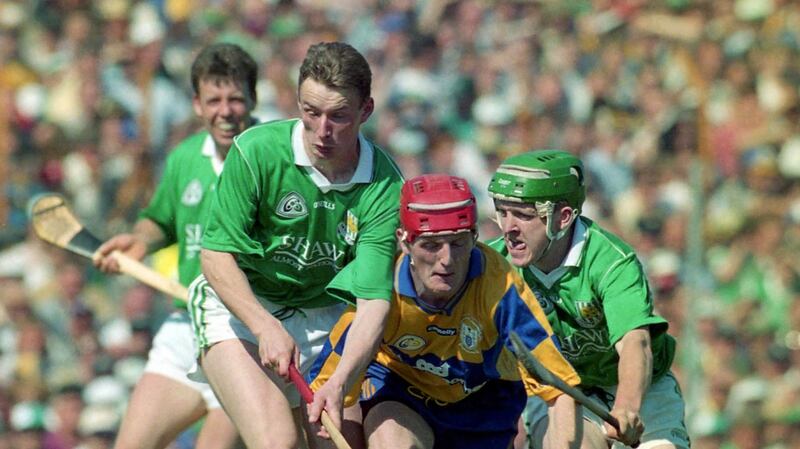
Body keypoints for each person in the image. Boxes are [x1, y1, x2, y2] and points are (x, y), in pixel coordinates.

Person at [187, 41, 404, 449]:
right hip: (243, 309)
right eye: (311, 112)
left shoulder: (386, 185)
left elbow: (374, 301)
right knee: (277, 441)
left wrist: (339, 383)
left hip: (328, 320)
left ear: (366, 111)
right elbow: (215, 254)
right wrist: (264, 325)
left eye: (338, 116)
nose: (322, 131)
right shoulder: (256, 151)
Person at [309, 174, 583, 449]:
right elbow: (322, 397)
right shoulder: (380, 289)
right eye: (431, 245)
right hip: (401, 394)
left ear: (475, 237)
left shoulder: (500, 286)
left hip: (482, 405)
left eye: (458, 243)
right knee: (390, 440)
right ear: (404, 242)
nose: (447, 260)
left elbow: (559, 390)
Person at [94, 42, 259, 449]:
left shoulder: (274, 160)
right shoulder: (185, 157)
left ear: (253, 100)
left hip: (245, 337)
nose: (225, 111)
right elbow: (160, 220)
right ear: (197, 105)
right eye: (214, 99)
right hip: (186, 325)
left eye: (236, 98)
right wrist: (139, 240)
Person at [486, 149, 691, 449]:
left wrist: (627, 407)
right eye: (502, 212)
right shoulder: (492, 264)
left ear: (563, 217)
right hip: (560, 391)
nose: (508, 229)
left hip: (639, 391)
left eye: (524, 215)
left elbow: (636, 342)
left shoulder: (611, 261)